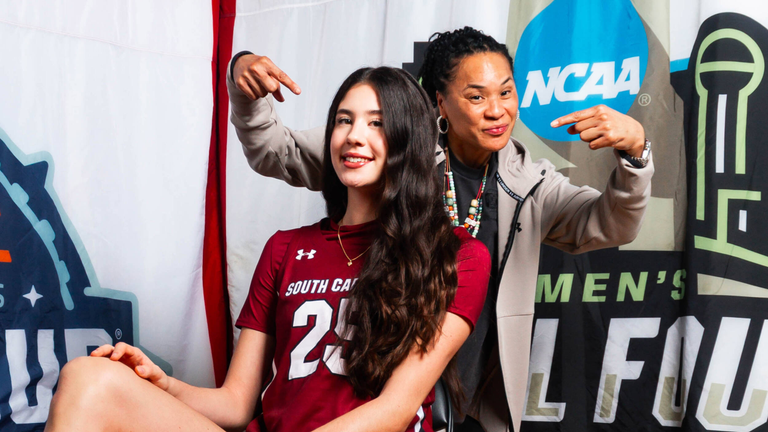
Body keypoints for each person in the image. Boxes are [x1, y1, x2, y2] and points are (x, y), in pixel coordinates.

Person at [227, 26, 653, 432]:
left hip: (469, 399)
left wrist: (636, 154)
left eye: (506, 92)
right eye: (476, 95)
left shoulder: (532, 186)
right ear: (440, 103)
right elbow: (275, 150)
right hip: (371, 394)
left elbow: (609, 224)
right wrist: (241, 74)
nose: (496, 109)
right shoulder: (393, 148)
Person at [45, 67, 491, 432]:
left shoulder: (456, 255)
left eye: (376, 122)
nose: (355, 135)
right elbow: (237, 404)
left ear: (408, 140)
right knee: (89, 378)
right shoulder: (286, 248)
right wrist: (162, 383)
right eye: (344, 119)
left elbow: (396, 409)